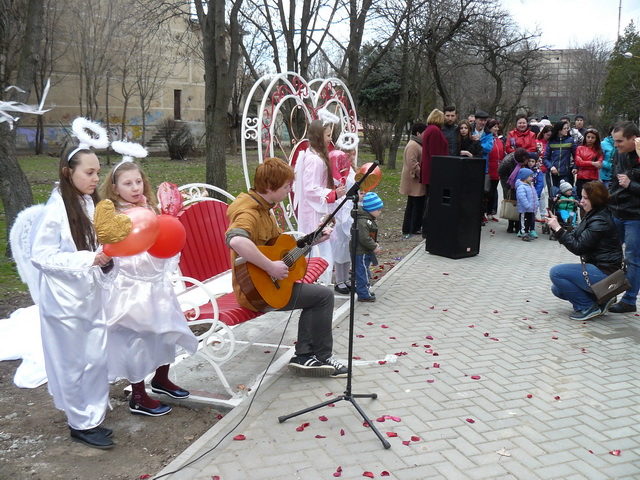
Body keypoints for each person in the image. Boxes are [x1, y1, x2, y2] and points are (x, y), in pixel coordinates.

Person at [227, 157, 348, 377]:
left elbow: (279, 249)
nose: (289, 190)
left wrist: (315, 239)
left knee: (317, 296)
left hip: (266, 283)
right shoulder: (249, 212)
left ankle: (306, 356)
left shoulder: (265, 207)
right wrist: (271, 267)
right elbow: (236, 241)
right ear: (270, 188)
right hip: (255, 291)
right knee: (322, 296)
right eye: (285, 187)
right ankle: (318, 357)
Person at [99, 159, 198, 417]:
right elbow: (116, 252)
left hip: (156, 284)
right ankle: (138, 394)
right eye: (127, 183)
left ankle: (161, 379)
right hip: (131, 287)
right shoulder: (113, 216)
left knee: (167, 332)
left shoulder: (149, 208)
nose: (134, 187)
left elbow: (162, 241)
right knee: (137, 339)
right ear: (114, 187)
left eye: (138, 181)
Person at [30, 146, 114, 449]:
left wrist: (103, 258)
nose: (96, 178)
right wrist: (87, 260)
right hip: (64, 302)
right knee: (73, 361)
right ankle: (80, 422)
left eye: (98, 171)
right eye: (89, 172)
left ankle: (91, 414)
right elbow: (40, 256)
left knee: (94, 356)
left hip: (87, 295)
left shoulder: (87, 203)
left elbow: (96, 242)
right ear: (69, 172)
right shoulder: (56, 210)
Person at [548, 181, 623, 321]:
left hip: (605, 272)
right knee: (557, 289)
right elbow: (576, 236)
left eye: (585, 198)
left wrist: (558, 230)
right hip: (599, 268)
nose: (581, 201)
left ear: (596, 199)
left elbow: (578, 247)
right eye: (581, 197)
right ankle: (601, 299)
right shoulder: (593, 214)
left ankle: (587, 306)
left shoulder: (600, 220)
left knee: (556, 273)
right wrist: (558, 227)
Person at [293, 119, 347, 285]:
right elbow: (310, 188)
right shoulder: (315, 160)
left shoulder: (315, 155)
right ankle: (319, 282)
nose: (330, 139)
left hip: (317, 207)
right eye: (328, 135)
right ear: (318, 136)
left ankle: (321, 282)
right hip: (314, 211)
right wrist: (332, 194)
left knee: (321, 245)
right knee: (318, 246)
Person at [607, 121, 640, 313]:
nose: (616, 145)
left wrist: (630, 185)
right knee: (609, 254)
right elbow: (613, 180)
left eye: (620, 141)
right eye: (614, 141)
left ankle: (629, 300)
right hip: (616, 213)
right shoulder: (618, 154)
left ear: (633, 139)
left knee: (633, 260)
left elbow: (625, 183)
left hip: (635, 217)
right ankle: (605, 293)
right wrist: (606, 202)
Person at [329, 141, 357, 295]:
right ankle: (339, 279)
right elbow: (339, 190)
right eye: (349, 154)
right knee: (340, 245)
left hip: (350, 210)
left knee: (347, 246)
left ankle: (346, 277)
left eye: (352, 154)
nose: (352, 157)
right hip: (341, 211)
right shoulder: (338, 169)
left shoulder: (351, 169)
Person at [420, 109, 449, 235]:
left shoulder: (430, 130)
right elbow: (435, 154)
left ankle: (427, 226)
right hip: (434, 172)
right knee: (432, 200)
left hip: (429, 171)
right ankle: (427, 227)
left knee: (430, 199)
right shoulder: (435, 131)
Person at [400, 122, 427, 238]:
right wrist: (422, 175)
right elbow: (412, 163)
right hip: (414, 180)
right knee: (415, 204)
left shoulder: (417, 144)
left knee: (414, 204)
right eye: (424, 133)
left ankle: (410, 227)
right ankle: (412, 227)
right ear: (418, 133)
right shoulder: (413, 145)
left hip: (415, 180)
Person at [356, 192, 382, 303]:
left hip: (364, 250)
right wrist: (373, 246)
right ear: (370, 209)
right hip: (361, 251)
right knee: (362, 272)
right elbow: (364, 238)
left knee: (365, 270)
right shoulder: (363, 221)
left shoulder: (367, 219)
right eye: (378, 210)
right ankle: (363, 293)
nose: (380, 212)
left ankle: (365, 290)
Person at [498, 147, 530, 233]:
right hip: (508, 183)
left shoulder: (524, 160)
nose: (526, 163)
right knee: (510, 202)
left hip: (520, 184)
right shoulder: (507, 161)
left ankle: (518, 224)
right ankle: (510, 224)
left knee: (519, 202)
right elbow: (501, 173)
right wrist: (508, 186)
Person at [481, 118, 504, 223]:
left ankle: (490, 212)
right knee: (486, 192)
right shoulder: (487, 139)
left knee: (493, 192)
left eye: (497, 127)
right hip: (489, 169)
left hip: (497, 169)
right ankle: (483, 213)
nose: (497, 129)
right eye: (494, 127)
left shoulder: (499, 140)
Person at [543, 120, 577, 189]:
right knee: (554, 194)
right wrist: (551, 167)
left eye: (567, 128)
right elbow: (545, 158)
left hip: (566, 173)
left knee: (566, 192)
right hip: (552, 174)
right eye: (564, 128)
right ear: (559, 130)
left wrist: (575, 167)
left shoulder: (570, 140)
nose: (567, 130)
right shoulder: (551, 142)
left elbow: (576, 155)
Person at [574, 128, 603, 201]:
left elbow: (599, 165)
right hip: (581, 178)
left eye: (593, 137)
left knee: (592, 199)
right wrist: (592, 163)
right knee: (581, 200)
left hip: (593, 178)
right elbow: (578, 162)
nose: (590, 139)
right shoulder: (580, 148)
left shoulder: (599, 151)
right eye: (588, 137)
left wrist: (584, 163)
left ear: (596, 139)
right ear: (585, 137)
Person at [515, 167, 538, 241]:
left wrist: (536, 205)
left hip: (531, 208)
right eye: (530, 176)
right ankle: (522, 232)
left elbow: (535, 196)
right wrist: (527, 206)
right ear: (525, 177)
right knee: (523, 221)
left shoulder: (531, 185)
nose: (532, 178)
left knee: (529, 220)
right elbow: (522, 198)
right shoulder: (521, 187)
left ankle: (527, 231)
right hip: (525, 209)